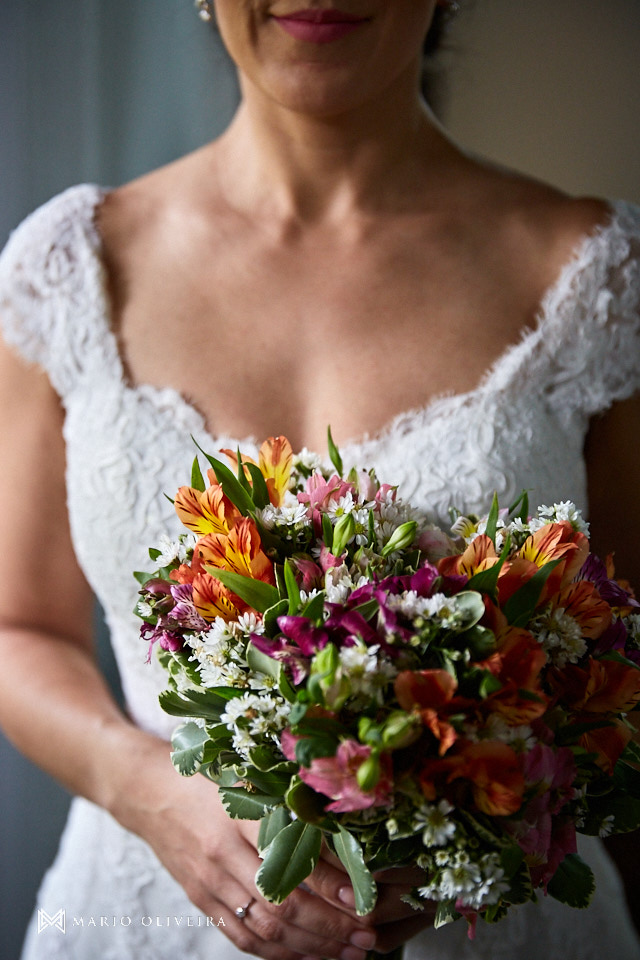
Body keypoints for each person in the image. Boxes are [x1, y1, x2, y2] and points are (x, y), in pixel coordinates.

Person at [0, 2, 639, 958]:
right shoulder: (74, 266)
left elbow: (623, 664)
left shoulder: (593, 274)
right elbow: (19, 628)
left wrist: (480, 825)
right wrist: (147, 791)